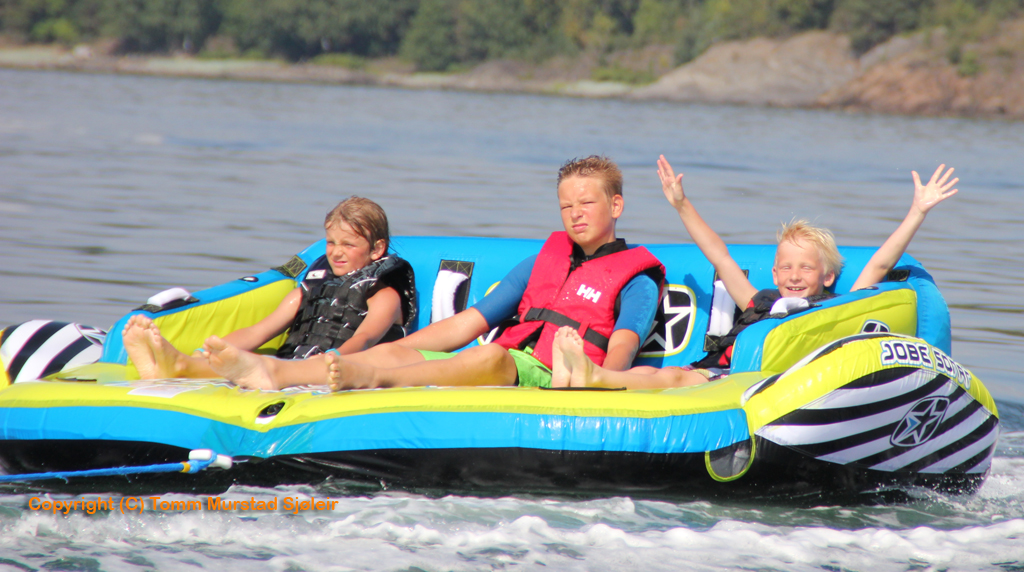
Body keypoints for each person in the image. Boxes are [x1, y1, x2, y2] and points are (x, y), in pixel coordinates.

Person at [200, 155, 665, 390]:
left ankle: (373, 381)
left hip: (553, 375)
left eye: (587, 203)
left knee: (491, 357)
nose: (575, 214)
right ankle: (276, 372)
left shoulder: (636, 279)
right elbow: (470, 323)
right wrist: (403, 348)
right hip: (509, 361)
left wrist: (593, 384)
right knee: (392, 353)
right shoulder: (544, 260)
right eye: (566, 205)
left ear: (616, 205)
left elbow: (620, 352)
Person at [548, 156, 959, 389]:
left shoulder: (835, 307)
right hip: (718, 372)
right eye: (786, 267)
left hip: (755, 385)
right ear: (774, 274)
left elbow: (881, 264)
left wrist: (917, 211)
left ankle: (594, 376)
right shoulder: (761, 302)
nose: (794, 276)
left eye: (806, 268)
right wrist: (681, 204)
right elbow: (720, 257)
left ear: (827, 276)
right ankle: (591, 377)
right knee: (648, 373)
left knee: (671, 377)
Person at [123, 196, 416, 380]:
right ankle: (190, 362)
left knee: (259, 366)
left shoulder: (384, 295)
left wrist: (331, 360)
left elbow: (365, 339)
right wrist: (208, 350)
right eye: (331, 242)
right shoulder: (310, 289)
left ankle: (179, 366)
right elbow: (258, 332)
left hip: (338, 370)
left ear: (377, 249)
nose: (336, 252)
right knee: (252, 360)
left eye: (348, 245)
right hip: (293, 366)